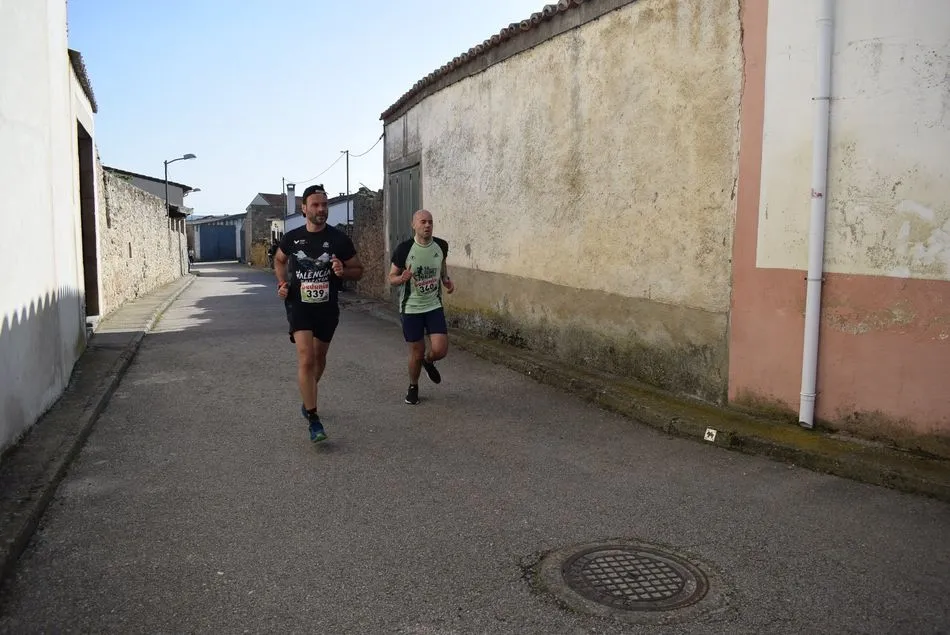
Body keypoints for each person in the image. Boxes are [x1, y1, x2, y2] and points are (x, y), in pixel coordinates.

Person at [275, 184, 363, 442]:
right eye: (315, 205)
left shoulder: (339, 239)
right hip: (299, 305)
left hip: (327, 308)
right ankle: (313, 418)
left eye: (324, 205)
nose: (321, 209)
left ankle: (308, 396)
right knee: (306, 358)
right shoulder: (292, 238)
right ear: (304, 208)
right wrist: (282, 283)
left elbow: (358, 270)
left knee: (319, 358)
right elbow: (279, 260)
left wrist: (342, 271)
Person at [389, 209, 455, 405]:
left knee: (440, 349)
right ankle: (413, 386)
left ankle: (429, 361)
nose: (427, 225)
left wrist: (446, 280)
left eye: (430, 222)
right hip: (411, 308)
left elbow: (441, 265)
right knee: (416, 353)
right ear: (414, 225)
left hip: (433, 305)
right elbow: (391, 277)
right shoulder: (404, 249)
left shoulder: (441, 245)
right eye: (423, 222)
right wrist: (401, 278)